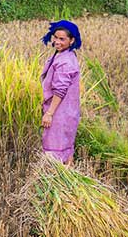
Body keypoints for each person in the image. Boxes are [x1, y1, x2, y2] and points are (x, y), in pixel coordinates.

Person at [40, 20, 82, 164]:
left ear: (72, 41)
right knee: (65, 147)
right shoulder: (63, 55)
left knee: (55, 150)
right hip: (66, 111)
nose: (57, 41)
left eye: (62, 39)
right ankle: (69, 181)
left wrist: (49, 113)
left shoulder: (65, 62)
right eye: (55, 37)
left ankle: (57, 181)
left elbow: (60, 91)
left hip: (59, 113)